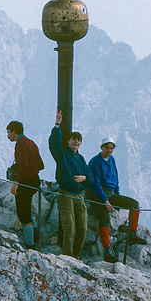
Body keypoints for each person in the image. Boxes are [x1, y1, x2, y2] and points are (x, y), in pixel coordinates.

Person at [86, 136, 147, 263]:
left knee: (134, 204)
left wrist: (117, 196)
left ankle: (132, 234)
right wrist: (105, 201)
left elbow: (116, 180)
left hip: (110, 193)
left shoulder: (112, 160)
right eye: (107, 148)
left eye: (111, 148)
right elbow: (95, 184)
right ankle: (107, 250)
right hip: (96, 194)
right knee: (104, 218)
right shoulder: (95, 162)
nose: (109, 150)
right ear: (101, 147)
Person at [49, 110, 92, 259]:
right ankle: (68, 256)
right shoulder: (62, 155)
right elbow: (54, 144)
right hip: (66, 193)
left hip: (80, 195)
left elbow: (91, 175)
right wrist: (57, 125)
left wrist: (84, 177)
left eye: (79, 140)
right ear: (68, 141)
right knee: (70, 228)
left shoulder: (81, 159)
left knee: (83, 228)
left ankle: (77, 255)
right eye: (74, 139)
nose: (76, 142)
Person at [6, 120, 44, 248]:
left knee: (23, 212)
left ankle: (30, 244)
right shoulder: (31, 142)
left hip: (25, 182)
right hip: (35, 180)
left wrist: (16, 182)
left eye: (9, 132)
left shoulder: (20, 144)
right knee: (26, 208)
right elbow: (40, 164)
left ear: (14, 131)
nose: (8, 135)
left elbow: (23, 165)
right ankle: (34, 236)